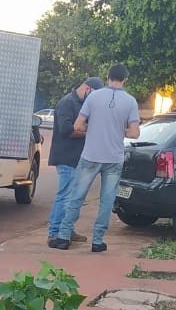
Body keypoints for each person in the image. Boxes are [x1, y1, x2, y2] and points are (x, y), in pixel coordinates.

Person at [49, 64, 141, 253]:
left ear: (107, 77)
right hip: (114, 158)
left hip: (90, 155)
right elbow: (134, 133)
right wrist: (117, 130)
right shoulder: (131, 102)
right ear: (125, 79)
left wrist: (95, 128)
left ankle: (64, 237)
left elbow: (78, 126)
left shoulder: (93, 97)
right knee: (107, 200)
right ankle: (97, 241)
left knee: (76, 197)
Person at [46, 76, 103, 245]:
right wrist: (88, 131)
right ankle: (54, 232)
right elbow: (66, 130)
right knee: (64, 196)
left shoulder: (84, 104)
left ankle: (68, 230)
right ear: (87, 88)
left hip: (79, 158)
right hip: (66, 157)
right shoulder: (66, 103)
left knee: (73, 197)